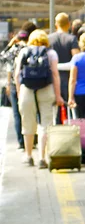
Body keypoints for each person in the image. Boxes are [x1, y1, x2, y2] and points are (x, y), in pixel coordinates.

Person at [14, 29, 64, 168]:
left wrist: (19, 93)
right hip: (46, 88)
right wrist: (58, 95)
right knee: (46, 123)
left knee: (28, 123)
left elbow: (17, 74)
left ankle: (28, 155)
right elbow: (55, 75)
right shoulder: (51, 53)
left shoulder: (24, 51)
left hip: (27, 89)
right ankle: (42, 158)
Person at [5, 22, 37, 150]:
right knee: (31, 112)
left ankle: (21, 141)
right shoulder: (32, 48)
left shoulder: (14, 49)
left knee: (17, 114)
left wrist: (8, 83)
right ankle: (32, 139)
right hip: (29, 84)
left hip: (14, 84)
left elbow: (7, 65)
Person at [49, 13, 80, 124]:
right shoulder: (72, 39)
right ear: (68, 24)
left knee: (53, 109)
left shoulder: (49, 39)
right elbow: (77, 59)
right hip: (68, 77)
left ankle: (55, 130)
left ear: (56, 24)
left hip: (52, 78)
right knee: (68, 108)